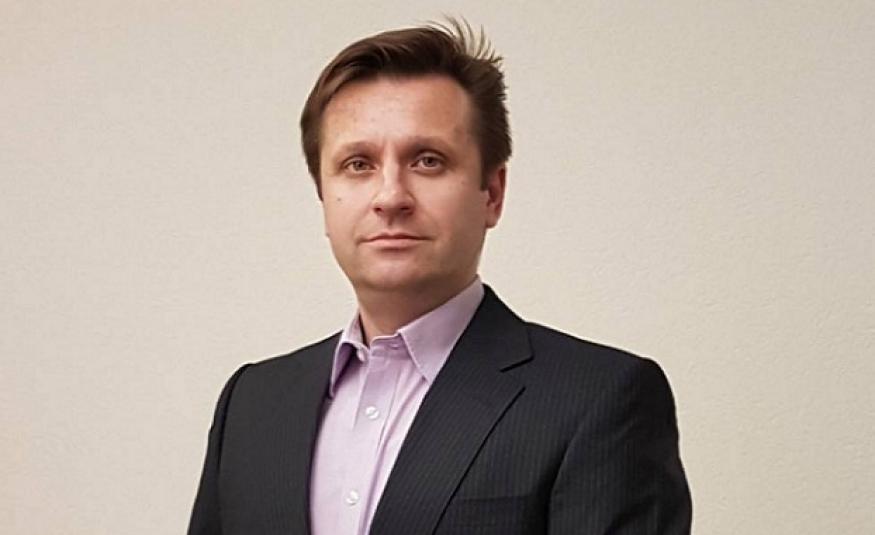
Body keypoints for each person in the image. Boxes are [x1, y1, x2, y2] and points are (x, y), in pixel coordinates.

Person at [188, 19, 692, 535]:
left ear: (492, 194)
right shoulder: (251, 405)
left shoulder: (600, 400)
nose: (390, 197)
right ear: (323, 196)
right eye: (358, 164)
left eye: (428, 161)